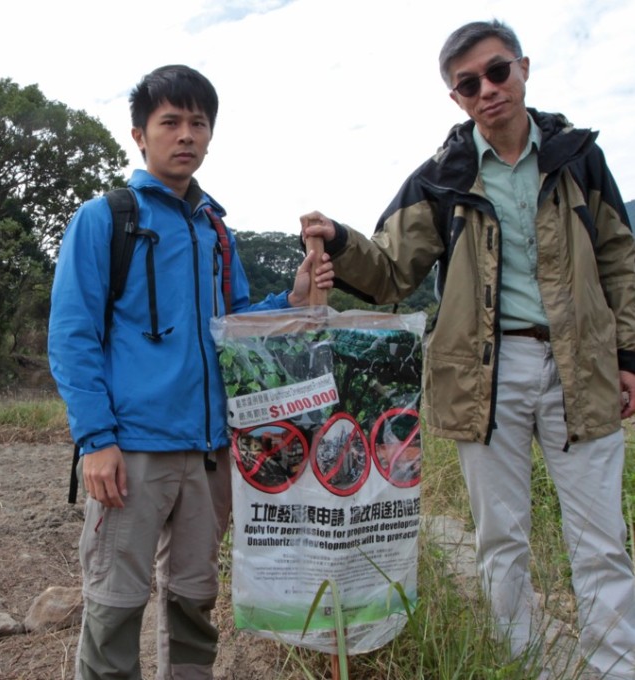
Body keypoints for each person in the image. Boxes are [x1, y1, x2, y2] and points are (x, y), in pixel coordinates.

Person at [300, 19, 635, 679]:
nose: (487, 90)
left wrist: (629, 355)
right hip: (484, 375)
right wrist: (338, 239)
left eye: (497, 71)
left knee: (602, 542)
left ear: (524, 67)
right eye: (468, 84)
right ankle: (523, 667)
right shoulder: (440, 178)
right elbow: (393, 270)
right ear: (455, 98)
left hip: (582, 367)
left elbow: (620, 259)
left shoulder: (578, 158)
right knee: (500, 542)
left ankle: (616, 668)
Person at [48, 64, 333, 680]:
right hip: (133, 449)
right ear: (139, 135)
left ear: (210, 135)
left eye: (197, 123)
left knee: (194, 600)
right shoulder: (104, 219)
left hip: (211, 453)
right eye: (170, 122)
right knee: (115, 603)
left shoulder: (215, 232)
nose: (185, 135)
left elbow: (233, 328)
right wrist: (96, 441)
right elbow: (72, 337)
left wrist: (293, 298)